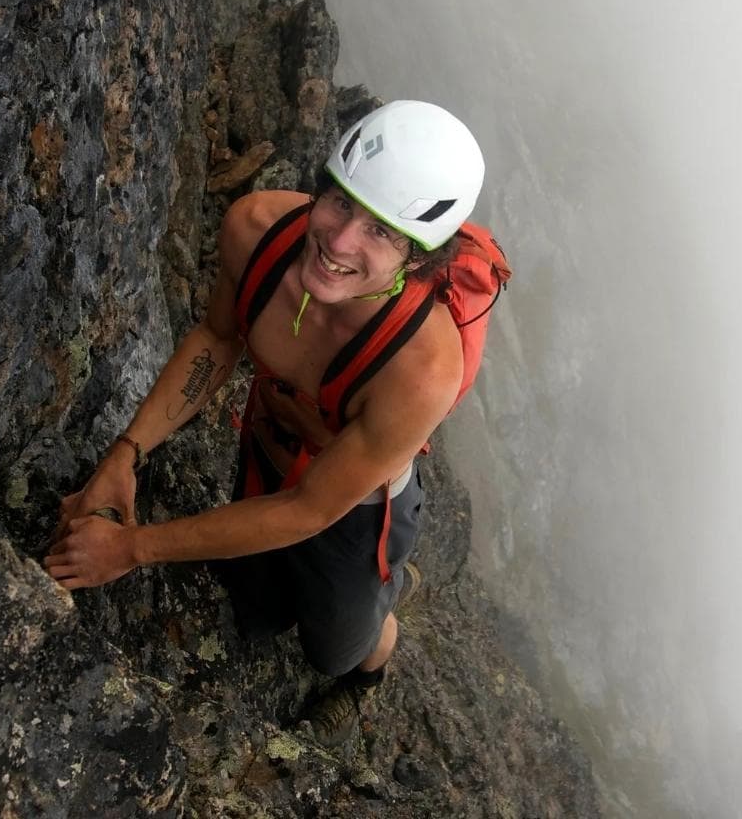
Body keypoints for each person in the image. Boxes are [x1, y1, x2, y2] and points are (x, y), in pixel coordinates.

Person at [44, 100, 485, 741]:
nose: (339, 242)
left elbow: (311, 509)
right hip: (272, 443)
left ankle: (378, 634)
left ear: (418, 260)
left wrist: (129, 549)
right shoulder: (256, 231)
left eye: (382, 232)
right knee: (257, 611)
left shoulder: (421, 370)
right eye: (340, 203)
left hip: (353, 504)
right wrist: (125, 454)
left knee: (334, 649)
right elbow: (217, 340)